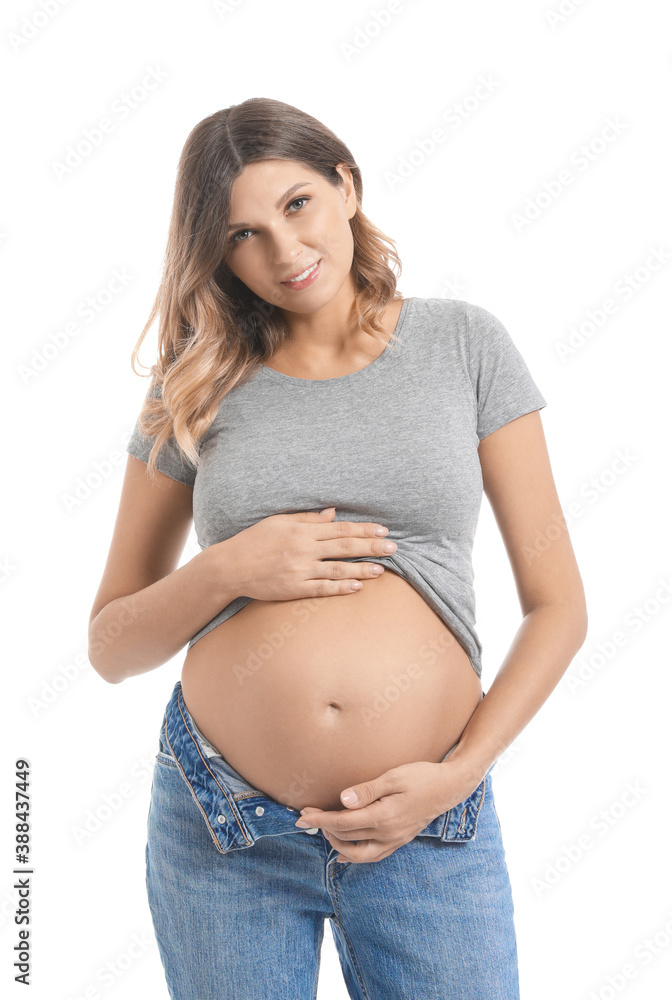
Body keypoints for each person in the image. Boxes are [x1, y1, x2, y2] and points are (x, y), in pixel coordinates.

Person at [88, 97, 588, 999]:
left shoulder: (465, 345)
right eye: (242, 234)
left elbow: (560, 605)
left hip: (427, 817)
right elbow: (111, 646)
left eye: (296, 205)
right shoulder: (195, 384)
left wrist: (457, 776)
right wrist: (228, 568)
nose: (283, 253)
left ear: (346, 186)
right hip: (222, 826)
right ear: (216, 252)